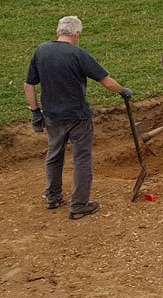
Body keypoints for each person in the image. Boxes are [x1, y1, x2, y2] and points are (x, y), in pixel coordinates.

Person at [24, 16, 132, 220]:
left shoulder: (41, 50)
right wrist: (123, 91)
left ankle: (53, 197)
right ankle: (79, 205)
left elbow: (29, 85)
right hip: (77, 116)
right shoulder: (78, 54)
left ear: (58, 31)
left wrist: (35, 112)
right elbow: (107, 83)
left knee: (54, 155)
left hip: (52, 116)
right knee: (82, 159)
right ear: (77, 34)